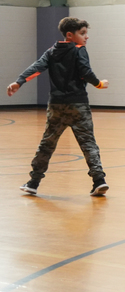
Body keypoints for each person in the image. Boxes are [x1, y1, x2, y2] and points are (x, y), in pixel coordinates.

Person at [7, 17, 110, 196]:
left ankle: (33, 182)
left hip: (56, 106)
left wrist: (19, 81)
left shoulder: (52, 51)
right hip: (78, 105)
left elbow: (37, 67)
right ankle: (99, 181)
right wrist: (100, 84)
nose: (86, 37)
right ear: (70, 35)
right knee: (88, 143)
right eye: (82, 33)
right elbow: (86, 72)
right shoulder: (79, 50)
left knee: (47, 144)